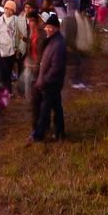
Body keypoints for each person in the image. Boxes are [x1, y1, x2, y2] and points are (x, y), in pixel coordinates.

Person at [28, 14, 70, 143]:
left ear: (57, 28)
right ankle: (60, 132)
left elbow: (56, 67)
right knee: (57, 108)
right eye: (48, 27)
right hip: (51, 82)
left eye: (52, 27)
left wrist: (44, 80)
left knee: (45, 110)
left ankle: (38, 135)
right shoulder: (52, 40)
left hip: (51, 83)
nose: (49, 29)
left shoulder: (58, 44)